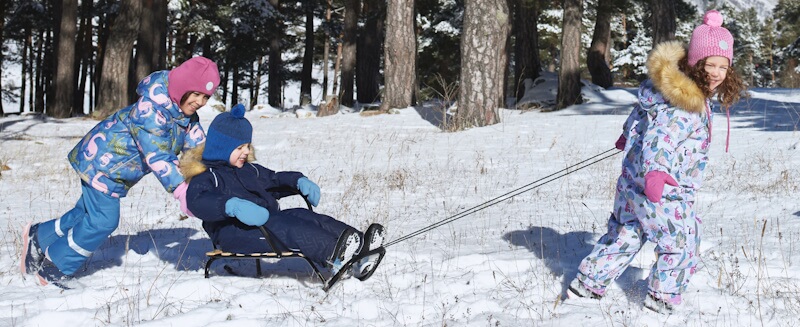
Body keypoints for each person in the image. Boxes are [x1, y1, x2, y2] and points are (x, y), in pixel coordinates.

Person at [567, 10, 746, 313]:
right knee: (682, 240)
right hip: (663, 188)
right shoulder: (685, 104)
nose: (716, 73)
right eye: (709, 65)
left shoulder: (664, 90)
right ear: (695, 62)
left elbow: (642, 116)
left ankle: (586, 285)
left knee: (626, 233)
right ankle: (662, 300)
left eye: (723, 66)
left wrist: (627, 138)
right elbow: (661, 138)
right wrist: (657, 173)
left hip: (632, 181)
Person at [20, 56, 221, 288]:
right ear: (181, 87)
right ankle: (56, 267)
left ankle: (39, 236)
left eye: (206, 96)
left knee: (85, 214)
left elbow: (198, 148)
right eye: (196, 93)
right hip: (101, 165)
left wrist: (215, 172)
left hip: (114, 171)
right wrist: (181, 189)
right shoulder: (150, 112)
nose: (200, 101)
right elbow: (158, 155)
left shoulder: (184, 117)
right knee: (104, 220)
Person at [180, 104, 384, 280]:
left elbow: (274, 179)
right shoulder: (207, 176)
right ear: (222, 147)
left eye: (248, 146)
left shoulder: (249, 170)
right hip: (233, 234)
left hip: (264, 225)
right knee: (285, 226)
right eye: (240, 147)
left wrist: (298, 181)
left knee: (300, 214)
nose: (246, 151)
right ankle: (335, 253)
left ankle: (358, 244)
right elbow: (197, 200)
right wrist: (231, 206)